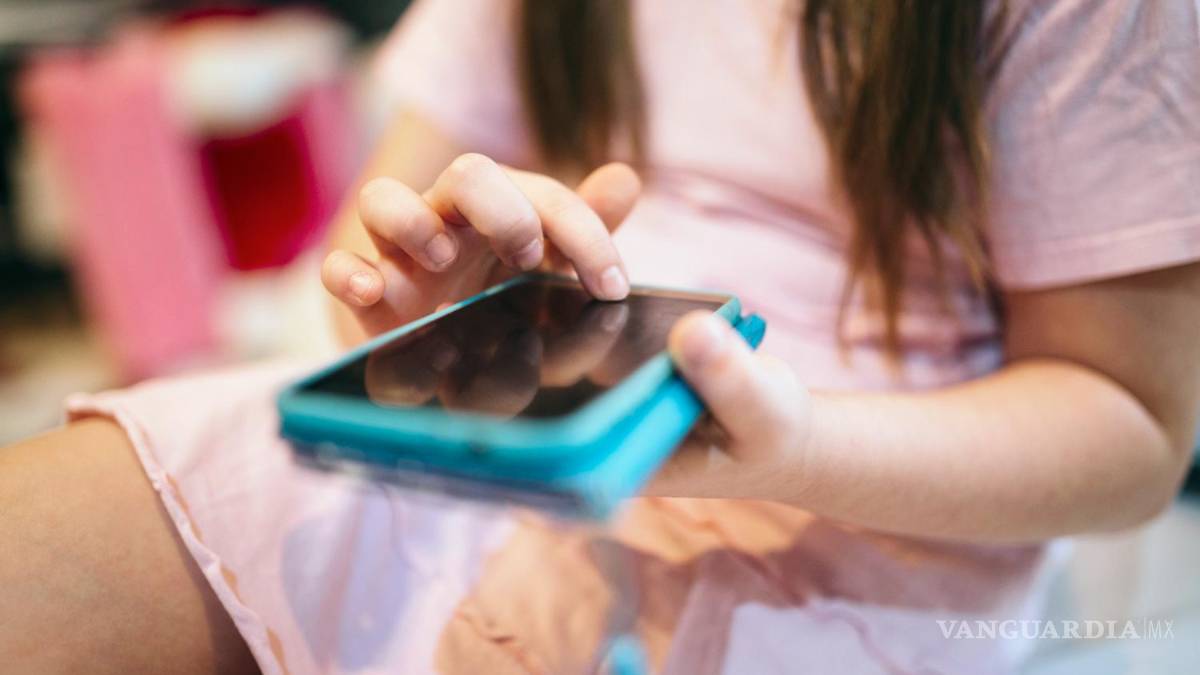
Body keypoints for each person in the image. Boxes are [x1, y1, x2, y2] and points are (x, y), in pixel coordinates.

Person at [4, 0, 1200, 672]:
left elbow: (1133, 427)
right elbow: (372, 248)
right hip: (490, 441)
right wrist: (425, 304)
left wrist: (795, 446)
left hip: (874, 513)